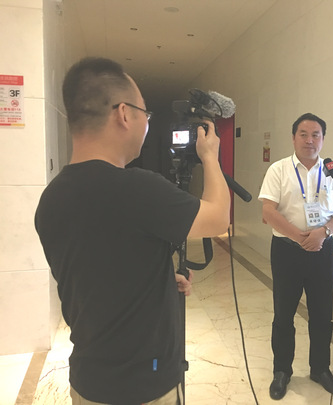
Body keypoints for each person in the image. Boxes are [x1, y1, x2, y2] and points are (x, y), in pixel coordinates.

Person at [34, 57, 230, 405]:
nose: (147, 122)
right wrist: (211, 156)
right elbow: (218, 219)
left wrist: (157, 279)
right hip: (145, 384)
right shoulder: (138, 188)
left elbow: (95, 272)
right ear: (124, 113)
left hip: (88, 380)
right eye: (145, 113)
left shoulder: (51, 198)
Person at [259, 113, 333, 400]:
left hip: (323, 250)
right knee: (283, 314)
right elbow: (268, 211)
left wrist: (322, 233)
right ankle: (281, 371)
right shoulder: (278, 169)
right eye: (303, 134)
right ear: (293, 137)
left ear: (323, 138)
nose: (310, 140)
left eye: (316, 135)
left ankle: (320, 369)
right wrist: (301, 238)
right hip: (287, 251)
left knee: (322, 314)